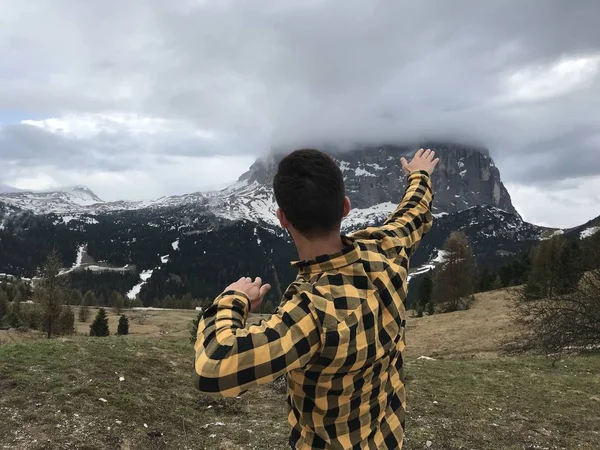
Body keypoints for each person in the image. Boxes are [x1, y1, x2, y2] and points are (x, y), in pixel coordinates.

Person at [193, 148, 438, 449]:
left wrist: (234, 299)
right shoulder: (385, 248)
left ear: (283, 218)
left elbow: (214, 366)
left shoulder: (309, 314)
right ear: (345, 207)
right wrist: (419, 175)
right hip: (387, 438)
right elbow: (413, 212)